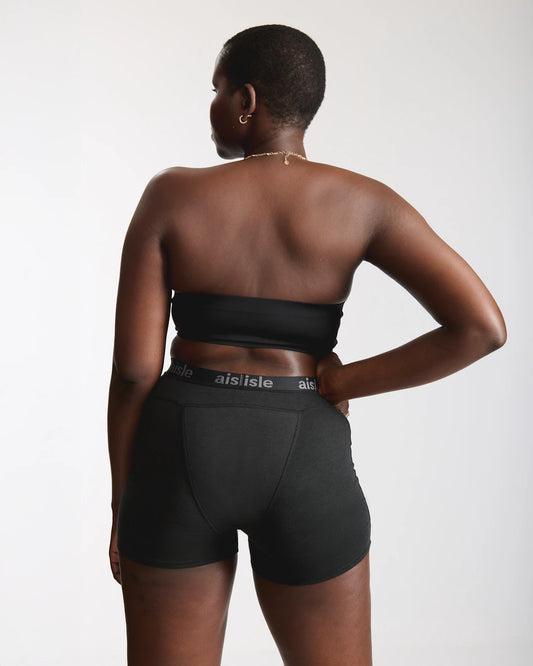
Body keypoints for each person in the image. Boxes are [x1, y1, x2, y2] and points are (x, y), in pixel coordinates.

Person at [107, 23, 506, 666]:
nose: (212, 105)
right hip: (304, 451)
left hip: (178, 446)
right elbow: (481, 327)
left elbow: (132, 374)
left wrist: (124, 501)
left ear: (247, 100)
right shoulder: (363, 202)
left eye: (217, 89)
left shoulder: (170, 195)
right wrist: (342, 383)